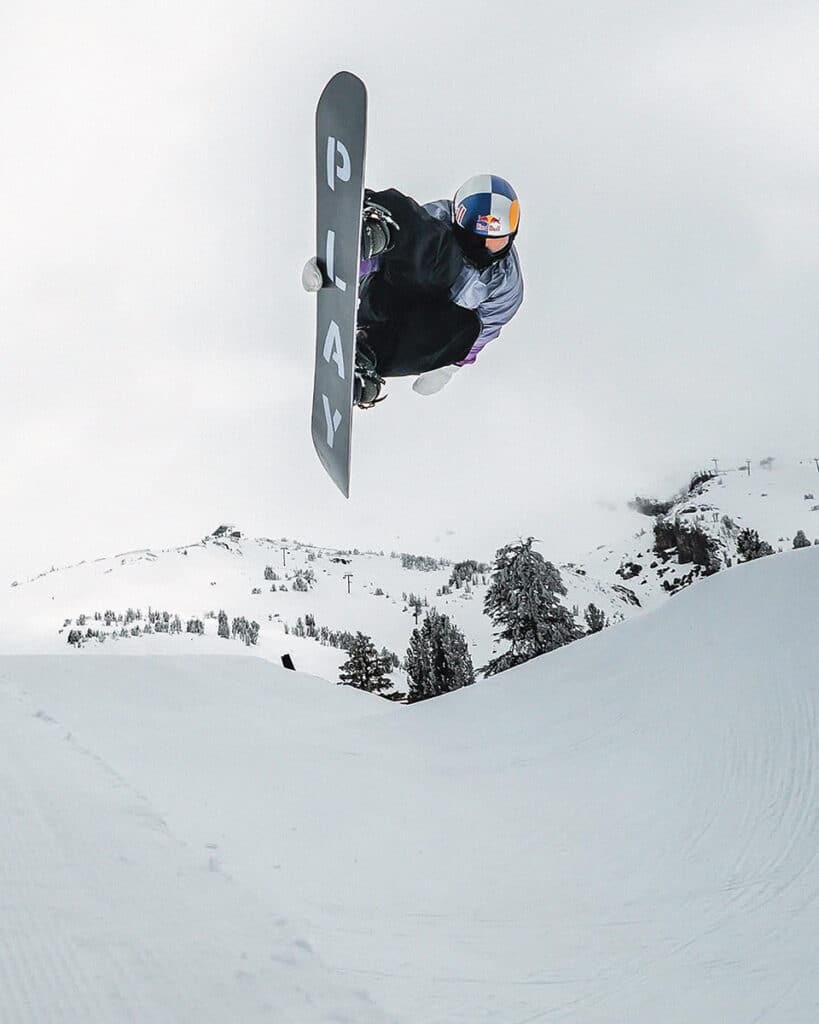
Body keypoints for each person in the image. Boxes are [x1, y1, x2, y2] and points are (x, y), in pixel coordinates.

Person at [303, 174, 524, 408]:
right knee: (445, 257)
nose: (488, 249)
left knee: (466, 328)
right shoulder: (440, 220)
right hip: (388, 293)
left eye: (499, 241)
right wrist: (338, 265)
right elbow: (399, 254)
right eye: (481, 239)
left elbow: (481, 332)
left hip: (415, 328)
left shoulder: (506, 284)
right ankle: (376, 229)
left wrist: (450, 367)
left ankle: (369, 357)